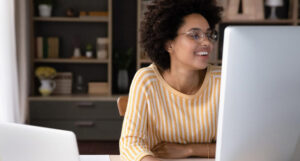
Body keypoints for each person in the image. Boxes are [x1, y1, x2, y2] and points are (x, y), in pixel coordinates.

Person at [119, 0, 223, 161]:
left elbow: (237, 144)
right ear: (169, 44)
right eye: (195, 35)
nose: (207, 42)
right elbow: (130, 143)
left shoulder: (222, 80)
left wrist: (188, 150)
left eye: (209, 35)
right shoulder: (147, 81)